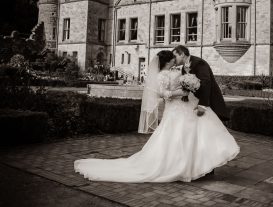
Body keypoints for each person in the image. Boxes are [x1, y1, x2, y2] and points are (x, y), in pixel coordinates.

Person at [74, 50, 239, 182]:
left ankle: (199, 165)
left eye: (176, 57)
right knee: (179, 137)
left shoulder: (178, 70)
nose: (175, 60)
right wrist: (183, 89)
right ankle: (179, 165)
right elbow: (164, 94)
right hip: (176, 108)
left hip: (185, 106)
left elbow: (196, 83)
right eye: (173, 58)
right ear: (169, 61)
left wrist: (189, 86)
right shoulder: (162, 76)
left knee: (195, 134)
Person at [172, 45, 229, 121]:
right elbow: (187, 83)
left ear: (182, 54)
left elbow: (206, 83)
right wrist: (185, 95)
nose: (173, 59)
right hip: (196, 100)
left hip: (209, 101)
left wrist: (202, 105)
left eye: (174, 56)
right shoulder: (183, 68)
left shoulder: (199, 63)